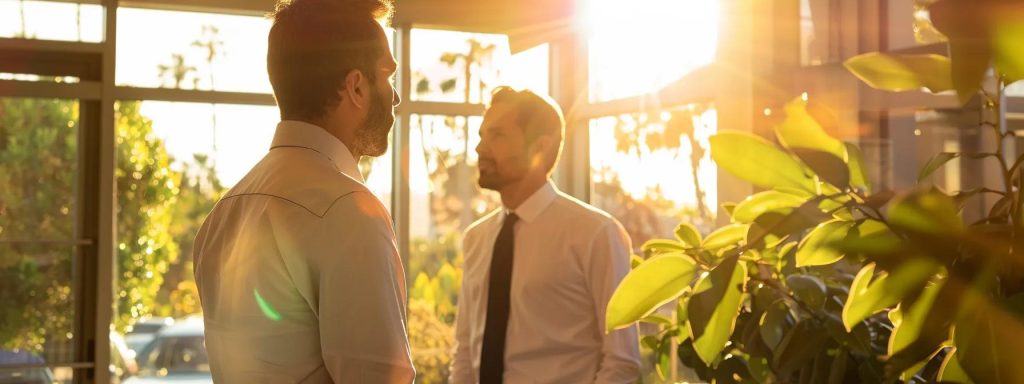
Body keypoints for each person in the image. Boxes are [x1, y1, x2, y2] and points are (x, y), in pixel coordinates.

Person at [192, 0, 414, 382]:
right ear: (356, 87)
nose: (394, 97)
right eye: (388, 77)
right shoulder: (349, 211)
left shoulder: (224, 211)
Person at [450, 87, 641, 383]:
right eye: (482, 135)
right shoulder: (476, 238)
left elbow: (622, 361)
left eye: (497, 135)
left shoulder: (596, 234)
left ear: (539, 147)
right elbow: (465, 351)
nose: (480, 148)